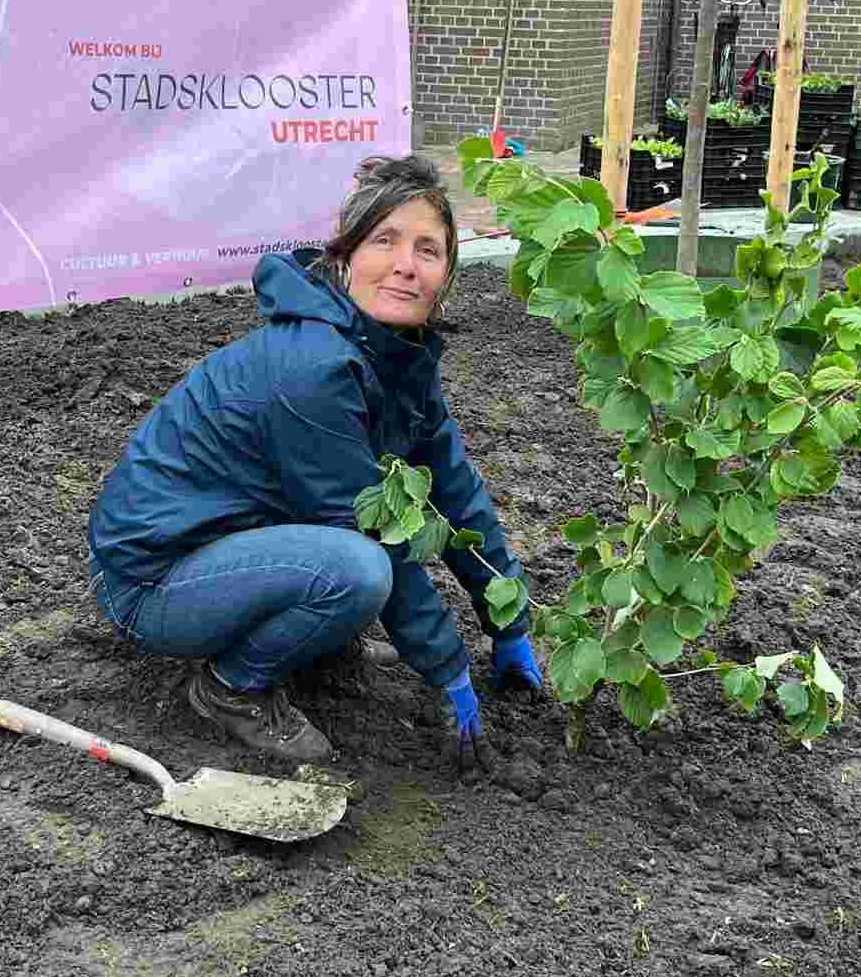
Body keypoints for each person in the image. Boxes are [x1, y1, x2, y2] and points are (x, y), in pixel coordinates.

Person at [87, 155, 542, 775]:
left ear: (447, 274)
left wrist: (508, 618)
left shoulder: (398, 354)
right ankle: (231, 686)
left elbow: (453, 489)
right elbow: (368, 526)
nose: (406, 265)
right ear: (345, 255)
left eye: (429, 250)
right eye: (385, 241)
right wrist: (450, 670)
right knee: (359, 567)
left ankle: (309, 641)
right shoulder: (313, 368)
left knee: (358, 566)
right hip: (154, 580)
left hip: (231, 545)